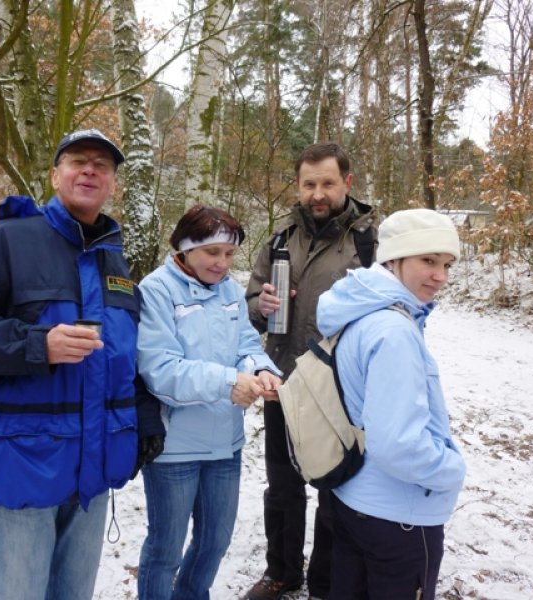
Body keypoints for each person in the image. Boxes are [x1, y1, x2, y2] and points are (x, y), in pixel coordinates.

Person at [0, 128, 164, 600]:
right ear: (56, 175)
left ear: (113, 184)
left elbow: (124, 354)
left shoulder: (114, 259)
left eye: (102, 164)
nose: (90, 169)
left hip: (93, 466)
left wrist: (142, 416)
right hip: (25, 462)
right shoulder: (8, 241)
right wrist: (38, 345)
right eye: (77, 160)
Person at [244, 142, 377, 600]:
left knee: (334, 485)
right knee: (282, 486)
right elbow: (248, 307)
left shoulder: (369, 243)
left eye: (327, 183)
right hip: (282, 380)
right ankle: (282, 571)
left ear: (347, 183)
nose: (318, 194)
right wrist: (259, 306)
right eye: (309, 184)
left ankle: (325, 580)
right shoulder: (280, 238)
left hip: (340, 390)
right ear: (298, 186)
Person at [316, 208, 467, 599]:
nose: (441, 276)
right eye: (428, 260)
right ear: (394, 259)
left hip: (355, 500)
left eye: (447, 264)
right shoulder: (393, 330)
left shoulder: (360, 310)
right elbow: (398, 444)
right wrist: (450, 470)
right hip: (399, 515)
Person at [137, 205, 283, 600]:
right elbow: (160, 370)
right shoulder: (156, 290)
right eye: (212, 252)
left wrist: (260, 370)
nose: (222, 263)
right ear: (185, 250)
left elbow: (247, 346)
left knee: (213, 542)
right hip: (174, 448)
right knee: (165, 549)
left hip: (225, 443)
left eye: (230, 254)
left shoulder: (231, 292)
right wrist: (228, 382)